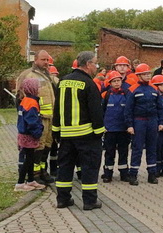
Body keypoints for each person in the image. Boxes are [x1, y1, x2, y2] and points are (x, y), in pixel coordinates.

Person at [53, 51, 105, 210]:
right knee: (89, 167)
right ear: (88, 64)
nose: (96, 67)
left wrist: (56, 131)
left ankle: (63, 199)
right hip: (86, 135)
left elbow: (58, 109)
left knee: (65, 167)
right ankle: (89, 202)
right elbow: (96, 111)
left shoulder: (62, 82)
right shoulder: (89, 84)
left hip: (66, 135)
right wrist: (99, 132)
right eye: (95, 63)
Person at [16, 50, 56, 185]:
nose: (46, 63)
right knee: (37, 147)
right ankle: (34, 174)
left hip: (50, 118)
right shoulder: (27, 75)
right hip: (38, 118)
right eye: (43, 60)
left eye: (47, 60)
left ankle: (43, 170)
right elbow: (19, 98)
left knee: (47, 146)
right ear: (36, 60)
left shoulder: (48, 75)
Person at [125, 63, 163, 186]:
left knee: (152, 148)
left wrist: (161, 122)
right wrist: (130, 125)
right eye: (145, 74)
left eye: (149, 74)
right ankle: (133, 174)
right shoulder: (132, 90)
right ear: (139, 75)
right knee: (137, 148)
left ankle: (152, 174)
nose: (148, 76)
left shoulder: (154, 89)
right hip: (139, 121)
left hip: (152, 121)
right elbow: (128, 110)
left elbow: (160, 108)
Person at [14, 78, 46, 191]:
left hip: (24, 134)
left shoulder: (25, 100)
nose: (39, 89)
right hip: (29, 135)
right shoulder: (32, 103)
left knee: (30, 158)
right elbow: (32, 121)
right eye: (37, 87)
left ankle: (31, 180)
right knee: (28, 159)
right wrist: (38, 132)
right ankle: (20, 183)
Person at [101, 71, 130, 183]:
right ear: (110, 83)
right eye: (114, 81)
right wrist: (103, 126)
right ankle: (108, 174)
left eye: (118, 81)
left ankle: (124, 174)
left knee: (123, 152)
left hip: (123, 129)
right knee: (109, 152)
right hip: (110, 130)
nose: (117, 83)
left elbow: (129, 110)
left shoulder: (127, 94)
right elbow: (101, 112)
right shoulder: (105, 95)